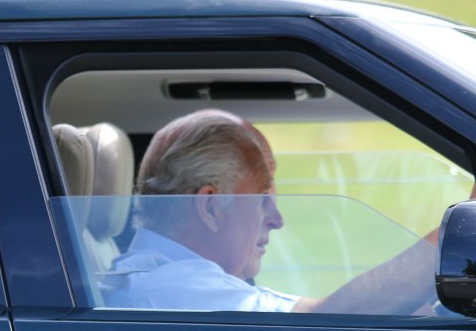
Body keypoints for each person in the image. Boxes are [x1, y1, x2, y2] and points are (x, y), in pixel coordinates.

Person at [99, 111, 440, 315]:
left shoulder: (157, 281)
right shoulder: (171, 288)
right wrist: (456, 240)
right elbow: (328, 322)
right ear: (211, 206)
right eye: (262, 198)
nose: (277, 220)